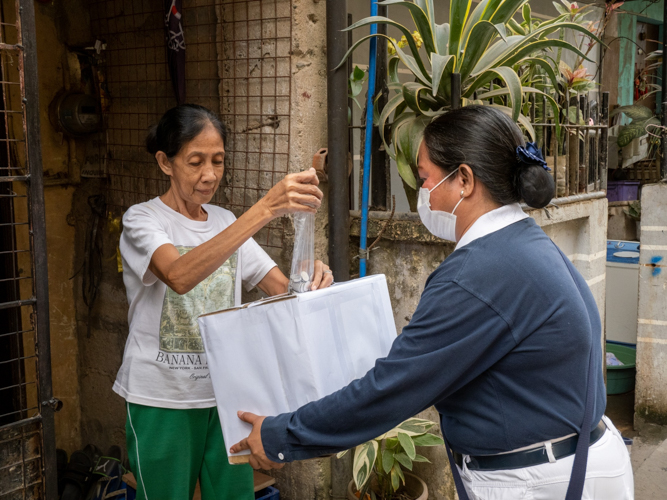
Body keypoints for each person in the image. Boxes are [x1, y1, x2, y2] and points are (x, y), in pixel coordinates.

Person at [231, 106, 634, 499]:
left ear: (464, 180)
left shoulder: (478, 273)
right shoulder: (522, 242)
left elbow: (394, 388)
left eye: (425, 179)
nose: (423, 195)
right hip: (570, 459)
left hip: (540, 480)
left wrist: (281, 435)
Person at [113, 104, 333, 500]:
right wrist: (265, 208)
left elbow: (281, 291)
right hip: (162, 397)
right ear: (166, 162)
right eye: (195, 162)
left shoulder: (225, 221)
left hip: (226, 398)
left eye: (218, 161)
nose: (209, 175)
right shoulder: (142, 220)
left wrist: (311, 281)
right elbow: (178, 275)